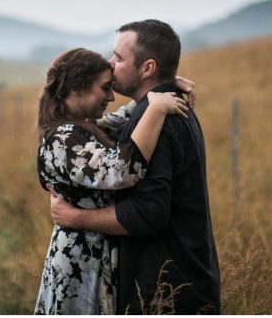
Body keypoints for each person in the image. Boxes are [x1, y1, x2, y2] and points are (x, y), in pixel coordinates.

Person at [50, 20, 221, 314]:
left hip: (166, 291)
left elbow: (147, 213)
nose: (109, 63)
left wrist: (75, 217)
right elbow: (85, 131)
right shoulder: (160, 106)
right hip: (182, 279)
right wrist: (170, 82)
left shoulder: (157, 119)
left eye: (118, 57)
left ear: (147, 68)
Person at [34, 47, 190, 315]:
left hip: (96, 255)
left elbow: (124, 118)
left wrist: (164, 85)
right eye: (105, 88)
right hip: (77, 265)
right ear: (77, 88)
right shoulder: (62, 139)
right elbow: (119, 173)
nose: (111, 96)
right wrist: (157, 109)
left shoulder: (81, 128)